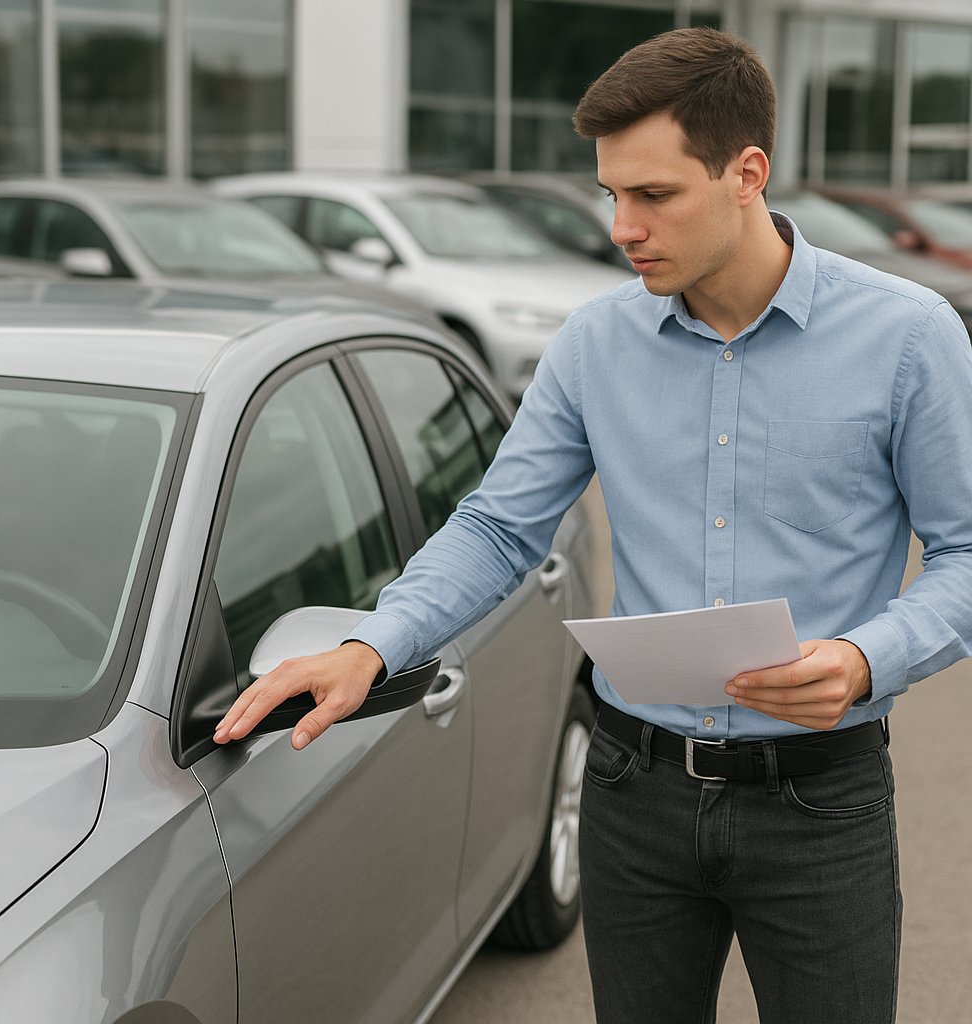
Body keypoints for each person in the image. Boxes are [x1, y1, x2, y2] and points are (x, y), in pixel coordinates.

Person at [214, 27, 972, 1024]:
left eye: (652, 195)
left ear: (747, 173)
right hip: (631, 787)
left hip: (818, 801)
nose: (621, 225)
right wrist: (372, 642)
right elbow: (496, 526)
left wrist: (869, 657)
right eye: (611, 193)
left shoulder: (908, 336)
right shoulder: (595, 343)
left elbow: (963, 554)